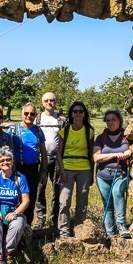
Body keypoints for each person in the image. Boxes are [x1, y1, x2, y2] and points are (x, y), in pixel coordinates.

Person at [56, 101, 95, 238]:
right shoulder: (65, 131)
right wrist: (62, 170)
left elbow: (91, 154)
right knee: (64, 201)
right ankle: (64, 233)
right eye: (75, 111)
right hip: (67, 169)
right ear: (71, 114)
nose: (78, 114)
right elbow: (59, 153)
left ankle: (79, 231)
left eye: (80, 111)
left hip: (84, 169)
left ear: (84, 114)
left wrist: (92, 174)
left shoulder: (89, 132)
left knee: (82, 202)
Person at [7, 102, 48, 226]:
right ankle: (13, 226)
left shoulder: (38, 131)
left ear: (35, 115)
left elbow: (43, 152)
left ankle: (27, 228)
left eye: (32, 114)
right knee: (15, 198)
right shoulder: (13, 130)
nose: (29, 116)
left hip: (33, 169)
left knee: (30, 198)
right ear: (22, 114)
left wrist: (44, 171)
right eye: (26, 113)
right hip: (17, 168)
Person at [93, 110, 132, 238]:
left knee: (117, 192)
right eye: (108, 120)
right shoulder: (101, 138)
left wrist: (129, 152)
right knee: (107, 204)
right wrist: (115, 155)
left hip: (121, 174)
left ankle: (121, 225)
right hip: (103, 176)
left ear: (119, 120)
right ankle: (110, 233)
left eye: (113, 119)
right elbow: (96, 158)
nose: (111, 122)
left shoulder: (127, 137)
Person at [33, 92, 66, 229]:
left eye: (52, 100)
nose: (49, 102)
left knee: (57, 190)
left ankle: (54, 219)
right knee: (39, 189)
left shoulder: (61, 120)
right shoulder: (37, 119)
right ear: (42, 103)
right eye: (46, 100)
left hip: (56, 159)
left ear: (55, 102)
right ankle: (40, 218)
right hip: (40, 159)